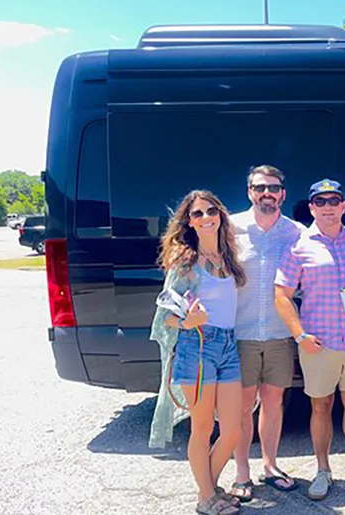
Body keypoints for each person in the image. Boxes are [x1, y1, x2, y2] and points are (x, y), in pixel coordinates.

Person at [274, 179, 345, 500]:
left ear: (342, 206)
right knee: (320, 405)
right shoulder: (299, 246)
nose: (327, 207)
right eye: (319, 202)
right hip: (317, 341)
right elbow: (282, 294)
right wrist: (300, 335)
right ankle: (322, 470)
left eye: (333, 201)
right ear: (311, 208)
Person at [149, 190, 247, 515]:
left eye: (210, 211)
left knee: (233, 430)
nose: (206, 218)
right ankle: (207, 499)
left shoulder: (229, 257)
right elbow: (165, 316)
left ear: (220, 214)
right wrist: (189, 321)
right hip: (198, 347)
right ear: (189, 223)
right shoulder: (186, 263)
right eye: (197, 214)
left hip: (228, 346)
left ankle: (210, 487)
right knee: (203, 428)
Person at [229, 165, 306, 501]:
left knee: (273, 402)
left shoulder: (296, 233)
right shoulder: (230, 228)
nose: (267, 194)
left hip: (278, 334)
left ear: (283, 194)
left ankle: (270, 466)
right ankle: (242, 472)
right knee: (243, 406)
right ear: (249, 191)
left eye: (273, 188)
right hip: (241, 333)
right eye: (260, 187)